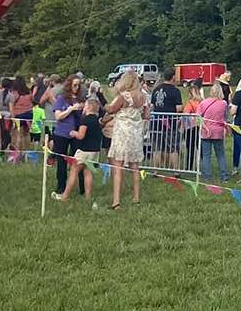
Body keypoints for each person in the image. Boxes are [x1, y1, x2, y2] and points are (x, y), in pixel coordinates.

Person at [106, 71, 148, 209]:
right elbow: (146, 115)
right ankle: (136, 198)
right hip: (135, 133)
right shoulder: (143, 97)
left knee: (118, 166)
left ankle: (116, 201)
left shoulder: (124, 96)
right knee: (135, 167)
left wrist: (103, 104)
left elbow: (111, 109)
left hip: (122, 133)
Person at [56, 96, 105, 202]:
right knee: (88, 172)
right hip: (94, 151)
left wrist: (74, 133)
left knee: (74, 171)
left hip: (84, 150)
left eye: (85, 106)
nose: (83, 108)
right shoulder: (97, 121)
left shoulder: (85, 120)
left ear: (89, 107)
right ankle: (88, 196)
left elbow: (81, 135)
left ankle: (65, 196)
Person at [48, 76, 83, 198]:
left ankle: (82, 188)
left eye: (78, 85)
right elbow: (58, 116)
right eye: (74, 85)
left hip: (76, 133)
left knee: (79, 161)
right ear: (69, 85)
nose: (76, 88)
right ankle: (61, 187)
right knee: (61, 161)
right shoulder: (61, 99)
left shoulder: (80, 99)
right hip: (62, 133)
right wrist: (71, 109)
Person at [150, 68, 184, 172]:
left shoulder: (156, 90)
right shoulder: (175, 91)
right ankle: (176, 171)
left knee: (157, 148)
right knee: (173, 148)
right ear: (173, 77)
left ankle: (155, 170)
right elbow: (179, 108)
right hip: (170, 124)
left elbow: (152, 106)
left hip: (156, 123)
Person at [197, 82, 229, 183]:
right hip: (218, 131)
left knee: (206, 155)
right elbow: (225, 117)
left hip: (206, 131)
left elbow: (198, 118)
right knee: (220, 154)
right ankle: (224, 175)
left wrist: (205, 128)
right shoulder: (224, 103)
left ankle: (207, 176)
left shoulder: (203, 103)